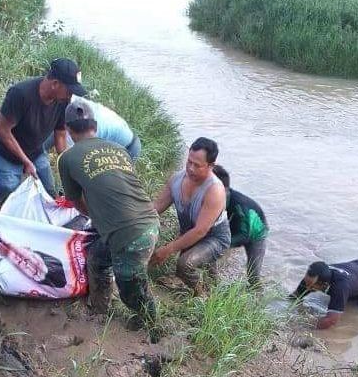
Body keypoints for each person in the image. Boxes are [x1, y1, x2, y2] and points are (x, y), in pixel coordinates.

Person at [57, 98, 159, 333]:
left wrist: (95, 214)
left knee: (130, 289)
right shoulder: (120, 149)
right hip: (151, 221)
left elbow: (75, 201)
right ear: (95, 125)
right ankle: (100, 310)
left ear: (69, 130)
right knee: (98, 259)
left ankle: (152, 325)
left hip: (130, 234)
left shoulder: (68, 158)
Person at [0, 58, 87, 205]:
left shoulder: (63, 101)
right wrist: (26, 161)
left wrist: (68, 167)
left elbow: (60, 136)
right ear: (55, 84)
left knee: (50, 193)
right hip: (4, 152)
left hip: (35, 149)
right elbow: (2, 131)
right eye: (69, 90)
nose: (71, 95)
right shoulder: (20, 94)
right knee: (11, 202)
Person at [151, 137, 231, 295]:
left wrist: (168, 249)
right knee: (203, 271)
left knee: (184, 264)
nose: (191, 169)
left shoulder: (214, 190)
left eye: (197, 165)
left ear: (211, 166)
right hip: (190, 232)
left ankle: (202, 296)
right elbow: (157, 206)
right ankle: (213, 285)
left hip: (214, 237)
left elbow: (200, 231)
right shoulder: (176, 180)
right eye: (189, 162)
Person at [289, 259, 358, 329]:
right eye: (306, 283)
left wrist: (304, 327)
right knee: (346, 300)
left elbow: (331, 321)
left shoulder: (339, 287)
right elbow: (295, 296)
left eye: (311, 286)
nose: (307, 288)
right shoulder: (312, 278)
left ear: (324, 285)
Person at [212, 164, 268, 286]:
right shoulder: (215, 198)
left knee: (253, 275)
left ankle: (256, 295)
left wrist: (224, 244)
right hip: (234, 227)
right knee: (212, 252)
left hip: (255, 235)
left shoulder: (239, 205)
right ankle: (212, 285)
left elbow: (244, 235)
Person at [44, 95, 142, 160]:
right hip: (117, 139)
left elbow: (77, 161)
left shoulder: (89, 131)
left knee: (100, 182)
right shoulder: (77, 106)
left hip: (128, 149)